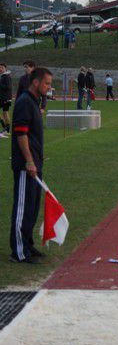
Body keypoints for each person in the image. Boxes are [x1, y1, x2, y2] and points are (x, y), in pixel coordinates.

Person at [10, 67, 53, 264]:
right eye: (47, 83)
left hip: (35, 164)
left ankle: (27, 243)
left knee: (33, 206)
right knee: (22, 207)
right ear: (36, 82)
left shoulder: (34, 102)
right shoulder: (24, 102)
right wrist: (28, 160)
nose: (49, 87)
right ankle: (18, 251)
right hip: (25, 166)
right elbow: (20, 134)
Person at [0, 62, 12, 138]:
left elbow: (8, 87)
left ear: (5, 68)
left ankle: (6, 129)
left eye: (2, 68)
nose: (0, 69)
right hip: (2, 98)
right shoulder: (2, 76)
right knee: (5, 113)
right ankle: (6, 129)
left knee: (5, 113)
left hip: (5, 98)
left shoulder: (6, 76)